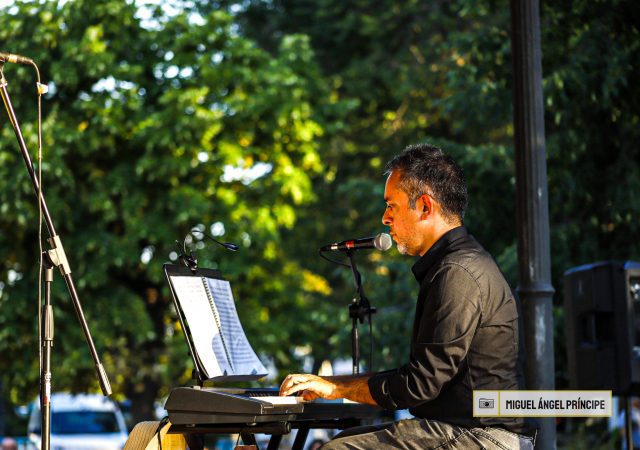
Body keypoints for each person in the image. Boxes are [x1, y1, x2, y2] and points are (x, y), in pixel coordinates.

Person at [280, 144, 534, 449]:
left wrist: (336, 388)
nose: (384, 218)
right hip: (469, 429)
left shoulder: (458, 272)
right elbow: (422, 377)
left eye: (391, 206)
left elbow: (419, 384)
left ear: (425, 206)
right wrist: (334, 385)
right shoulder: (457, 264)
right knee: (344, 440)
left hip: (483, 437)